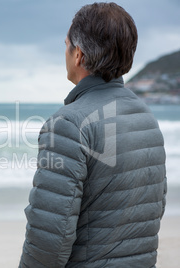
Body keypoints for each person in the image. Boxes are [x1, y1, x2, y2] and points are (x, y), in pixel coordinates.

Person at [19, 3, 167, 268]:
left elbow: (49, 239)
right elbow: (152, 211)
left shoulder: (69, 124)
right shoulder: (146, 117)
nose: (65, 52)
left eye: (67, 45)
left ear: (79, 55)